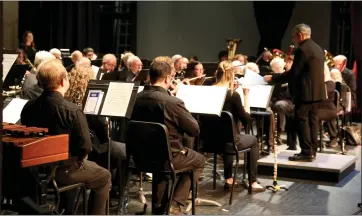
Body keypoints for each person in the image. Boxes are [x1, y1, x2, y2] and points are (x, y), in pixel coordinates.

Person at [20, 59, 111, 214]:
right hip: (62, 170)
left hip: (34, 171)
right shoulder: (72, 111)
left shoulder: (28, 106)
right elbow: (86, 147)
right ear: (63, 81)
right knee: (104, 176)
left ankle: (67, 208)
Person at [131, 58, 205, 215]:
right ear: (167, 78)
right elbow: (194, 130)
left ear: (150, 76)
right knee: (198, 161)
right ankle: (176, 203)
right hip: (167, 159)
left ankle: (160, 208)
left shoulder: (135, 98)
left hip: (139, 157)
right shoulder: (173, 102)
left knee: (162, 158)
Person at [264, 23, 326, 162]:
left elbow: (294, 73)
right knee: (313, 121)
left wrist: (273, 77)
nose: (293, 40)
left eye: (293, 37)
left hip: (305, 92)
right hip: (317, 92)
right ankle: (312, 150)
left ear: (299, 35)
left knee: (301, 119)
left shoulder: (302, 49)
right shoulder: (318, 48)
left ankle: (305, 151)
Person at [213, 61, 265, 192]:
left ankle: (229, 178)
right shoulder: (232, 95)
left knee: (227, 134)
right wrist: (246, 96)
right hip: (228, 143)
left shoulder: (209, 91)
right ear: (231, 75)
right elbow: (246, 119)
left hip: (209, 142)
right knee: (252, 140)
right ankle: (252, 182)